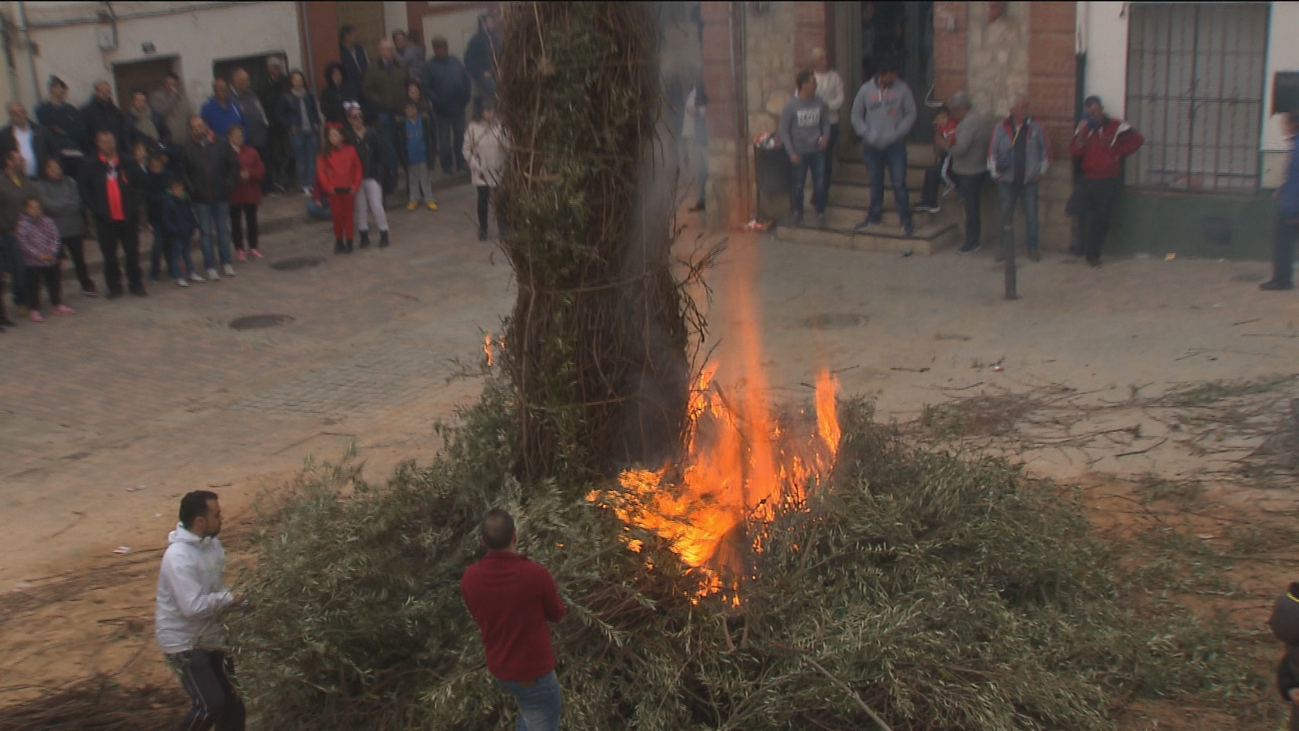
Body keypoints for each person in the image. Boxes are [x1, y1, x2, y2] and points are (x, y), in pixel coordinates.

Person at [460, 509, 565, 731]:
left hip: (500, 668)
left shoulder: (470, 578)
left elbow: (479, 614)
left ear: (482, 541)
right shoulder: (534, 574)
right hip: (532, 673)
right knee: (541, 716)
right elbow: (557, 614)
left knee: (531, 713)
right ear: (515, 536)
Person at [155, 490, 247, 731]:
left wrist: (244, 603)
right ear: (200, 521)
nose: (222, 518)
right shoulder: (178, 558)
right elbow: (192, 607)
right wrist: (229, 600)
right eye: (216, 514)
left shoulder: (213, 546)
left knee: (234, 702)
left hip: (211, 635)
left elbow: (217, 590)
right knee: (210, 703)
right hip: (184, 642)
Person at [1068, 95, 1143, 268]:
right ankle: (1079, 247)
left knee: (1100, 219)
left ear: (1101, 109)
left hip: (1107, 180)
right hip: (1087, 179)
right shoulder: (1083, 128)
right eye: (1089, 113)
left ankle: (1093, 255)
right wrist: (1080, 136)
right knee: (1078, 212)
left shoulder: (1116, 126)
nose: (1093, 116)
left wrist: (1117, 150)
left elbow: (1138, 139)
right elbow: (1075, 151)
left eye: (1095, 112)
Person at [850, 58, 917, 235]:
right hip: (872, 146)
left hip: (895, 145)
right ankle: (874, 216)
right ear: (881, 75)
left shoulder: (902, 89)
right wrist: (866, 133)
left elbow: (910, 113)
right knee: (875, 182)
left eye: (895, 75)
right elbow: (856, 115)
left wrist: (898, 132)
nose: (893, 79)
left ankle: (905, 219)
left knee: (899, 182)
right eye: (890, 75)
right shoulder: (865, 90)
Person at [81, 130, 147, 298]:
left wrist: (134, 205)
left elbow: (140, 185)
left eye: (110, 141)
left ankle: (136, 284)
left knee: (132, 253)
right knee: (109, 256)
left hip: (128, 217)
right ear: (98, 144)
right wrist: (96, 208)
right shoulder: (91, 164)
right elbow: (84, 189)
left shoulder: (128, 161)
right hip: (105, 219)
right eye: (104, 142)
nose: (108, 145)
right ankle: (114, 286)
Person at [989, 95, 1049, 263]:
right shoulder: (1001, 128)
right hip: (1007, 180)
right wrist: (995, 173)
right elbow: (992, 153)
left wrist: (1041, 171)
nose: (1024, 111)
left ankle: (1032, 248)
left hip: (1029, 180)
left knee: (1031, 215)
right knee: (1005, 215)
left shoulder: (1036, 127)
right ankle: (1003, 248)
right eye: (1021, 107)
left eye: (1026, 107)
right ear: (1012, 110)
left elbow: (1046, 152)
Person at [180, 115, 238, 281]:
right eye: (195, 127)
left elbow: (233, 165)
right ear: (191, 130)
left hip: (221, 195)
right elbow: (184, 172)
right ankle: (210, 265)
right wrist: (192, 189)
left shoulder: (221, 143)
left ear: (206, 126)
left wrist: (228, 184)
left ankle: (226, 262)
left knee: (223, 231)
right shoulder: (188, 148)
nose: (199, 129)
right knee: (205, 233)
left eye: (201, 126)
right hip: (200, 199)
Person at [35, 157, 96, 296]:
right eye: (52, 168)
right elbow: (48, 206)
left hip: (74, 228)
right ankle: (55, 293)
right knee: (55, 264)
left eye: (57, 167)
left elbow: (77, 203)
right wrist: (66, 203)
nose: (56, 171)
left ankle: (86, 284)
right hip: (54, 231)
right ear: (45, 170)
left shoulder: (70, 182)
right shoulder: (41, 186)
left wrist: (61, 205)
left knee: (79, 259)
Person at [937, 93, 989, 255]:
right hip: (970, 169)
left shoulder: (970, 123)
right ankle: (972, 239)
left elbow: (960, 149)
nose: (952, 114)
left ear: (962, 109)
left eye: (954, 110)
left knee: (970, 207)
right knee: (969, 206)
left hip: (970, 171)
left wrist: (945, 146)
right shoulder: (970, 121)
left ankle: (972, 241)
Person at [779, 70, 831, 229]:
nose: (815, 84)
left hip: (816, 150)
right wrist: (791, 152)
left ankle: (820, 212)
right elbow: (784, 130)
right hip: (799, 151)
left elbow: (826, 122)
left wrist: (826, 137)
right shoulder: (791, 105)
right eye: (812, 82)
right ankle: (797, 213)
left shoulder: (818, 102)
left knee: (820, 183)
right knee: (798, 184)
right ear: (803, 85)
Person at [15, 196, 71, 322]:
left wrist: (52, 251)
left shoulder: (47, 220)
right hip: (33, 261)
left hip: (50, 258)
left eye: (37, 208)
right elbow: (23, 243)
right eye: (32, 208)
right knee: (34, 285)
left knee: (54, 281)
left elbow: (55, 236)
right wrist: (38, 254)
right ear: (26, 209)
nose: (35, 210)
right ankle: (34, 309)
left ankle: (57, 304)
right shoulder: (22, 224)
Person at [422, 36, 472, 175]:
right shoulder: (429, 67)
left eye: (445, 47)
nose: (443, 50)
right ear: (434, 49)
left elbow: (465, 79)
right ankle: (447, 166)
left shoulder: (455, 61)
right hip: (442, 111)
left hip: (459, 108)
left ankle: (461, 163)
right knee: (444, 141)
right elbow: (426, 88)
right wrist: (438, 101)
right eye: (440, 47)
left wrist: (466, 97)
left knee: (460, 138)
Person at [344, 103, 390, 249]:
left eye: (360, 116)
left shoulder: (371, 133)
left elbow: (381, 154)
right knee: (360, 207)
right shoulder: (348, 137)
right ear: (349, 119)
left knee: (376, 204)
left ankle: (384, 232)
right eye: (354, 117)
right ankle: (363, 235)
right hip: (356, 178)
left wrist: (379, 173)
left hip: (372, 174)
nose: (358, 119)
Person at [1264, 110, 1299, 291]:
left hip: (1293, 206)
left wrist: (1292, 210)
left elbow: (1295, 179)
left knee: (1282, 242)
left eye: (1286, 123)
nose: (1284, 127)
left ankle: (1282, 279)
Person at [363, 39, 406, 181]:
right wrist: (379, 100)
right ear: (380, 51)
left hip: (401, 109)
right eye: (386, 49)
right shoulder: (373, 68)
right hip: (384, 111)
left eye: (392, 49)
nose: (390, 52)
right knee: (388, 142)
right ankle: (392, 170)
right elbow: (367, 89)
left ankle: (407, 168)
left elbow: (408, 83)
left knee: (403, 140)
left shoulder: (401, 65)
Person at [316, 122, 362, 254]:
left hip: (348, 189)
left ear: (342, 136)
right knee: (336, 217)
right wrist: (328, 187)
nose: (333, 138)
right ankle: (339, 240)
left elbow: (357, 168)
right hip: (334, 190)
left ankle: (349, 240)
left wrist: (355, 185)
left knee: (348, 216)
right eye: (330, 136)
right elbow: (321, 172)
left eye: (335, 135)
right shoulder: (325, 153)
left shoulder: (351, 150)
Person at [464, 99, 506, 240]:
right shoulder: (473, 128)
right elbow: (466, 150)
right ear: (481, 112)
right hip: (482, 172)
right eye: (487, 110)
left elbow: (510, 146)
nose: (490, 113)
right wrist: (477, 165)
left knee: (500, 200)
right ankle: (483, 228)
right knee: (483, 200)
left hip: (498, 169)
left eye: (492, 110)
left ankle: (503, 227)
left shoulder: (501, 126)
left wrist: (504, 144)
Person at [277, 70, 321, 196]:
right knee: (300, 159)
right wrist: (289, 124)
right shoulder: (286, 97)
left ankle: (312, 183)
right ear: (291, 82)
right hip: (297, 131)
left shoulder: (309, 95)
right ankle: (303, 184)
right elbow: (279, 114)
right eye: (295, 80)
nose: (298, 82)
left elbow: (314, 110)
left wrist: (317, 122)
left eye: (300, 79)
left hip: (311, 130)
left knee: (311, 158)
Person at [38, 77, 90, 182]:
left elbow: (80, 130)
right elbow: (49, 127)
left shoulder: (71, 110)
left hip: (75, 153)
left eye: (62, 88)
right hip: (57, 154)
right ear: (51, 89)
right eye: (57, 87)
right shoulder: (43, 110)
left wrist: (63, 130)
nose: (61, 90)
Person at [810, 47, 845, 198]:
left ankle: (823, 191)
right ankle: (816, 189)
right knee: (814, 158)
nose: (824, 62)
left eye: (825, 59)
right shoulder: (810, 77)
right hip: (812, 124)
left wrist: (829, 105)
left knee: (826, 158)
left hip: (830, 122)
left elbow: (840, 98)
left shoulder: (834, 77)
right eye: (821, 59)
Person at [0, 150, 32, 311]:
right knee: (17, 268)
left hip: (29, 230)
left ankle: (27, 298)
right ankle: (19, 300)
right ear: (9, 162)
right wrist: (7, 227)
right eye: (18, 159)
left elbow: (33, 200)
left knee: (27, 267)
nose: (22, 161)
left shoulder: (25, 180)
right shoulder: (2, 182)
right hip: (10, 232)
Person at [227, 126, 265, 261]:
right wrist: (237, 176)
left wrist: (250, 174)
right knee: (235, 222)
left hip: (250, 191)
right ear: (229, 137)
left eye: (240, 135)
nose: (238, 138)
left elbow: (260, 169)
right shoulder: (226, 152)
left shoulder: (251, 151)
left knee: (252, 220)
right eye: (235, 135)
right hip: (234, 193)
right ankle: (239, 248)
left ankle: (253, 246)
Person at [230, 69, 270, 192]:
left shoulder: (252, 94)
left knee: (262, 165)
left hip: (260, 137)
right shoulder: (230, 99)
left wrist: (265, 124)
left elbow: (260, 111)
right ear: (235, 82)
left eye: (247, 79)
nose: (247, 82)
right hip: (245, 140)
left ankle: (266, 189)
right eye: (243, 80)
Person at [0, 103, 57, 180]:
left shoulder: (41, 131)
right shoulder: (5, 135)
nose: (18, 115)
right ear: (10, 116)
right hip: (17, 181)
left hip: (42, 179)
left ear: (25, 113)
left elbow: (54, 151)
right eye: (14, 113)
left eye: (20, 111)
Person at [259, 57, 291, 192]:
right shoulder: (262, 84)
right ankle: (278, 182)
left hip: (286, 125)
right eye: (273, 67)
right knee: (275, 155)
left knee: (288, 154)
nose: (276, 70)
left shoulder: (286, 83)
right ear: (268, 69)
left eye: (278, 67)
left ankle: (287, 181)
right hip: (271, 126)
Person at [916, 105, 956, 213]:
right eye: (939, 118)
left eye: (944, 118)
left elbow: (946, 144)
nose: (941, 121)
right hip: (944, 156)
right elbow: (937, 148)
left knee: (940, 172)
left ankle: (954, 187)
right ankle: (927, 201)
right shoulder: (940, 129)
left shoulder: (952, 127)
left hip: (952, 157)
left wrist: (939, 137)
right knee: (930, 170)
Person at [400, 100, 437, 212]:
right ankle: (413, 199)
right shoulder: (403, 124)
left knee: (425, 179)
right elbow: (401, 141)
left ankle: (429, 199)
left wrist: (431, 154)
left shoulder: (423, 121)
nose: (410, 110)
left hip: (423, 155)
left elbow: (430, 137)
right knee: (412, 180)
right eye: (407, 108)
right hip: (410, 156)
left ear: (416, 109)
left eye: (412, 108)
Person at [142, 152, 172, 281]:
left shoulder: (168, 176)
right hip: (155, 217)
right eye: (153, 166)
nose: (156, 169)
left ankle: (172, 266)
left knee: (169, 244)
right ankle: (154, 270)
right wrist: (163, 197)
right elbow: (148, 197)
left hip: (169, 215)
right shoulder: (147, 178)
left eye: (158, 166)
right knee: (158, 244)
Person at [151, 73, 194, 153]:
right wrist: (173, 96)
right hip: (169, 143)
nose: (169, 86)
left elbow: (191, 114)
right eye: (167, 83)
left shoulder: (182, 96)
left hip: (186, 142)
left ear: (177, 84)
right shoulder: (157, 97)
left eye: (172, 84)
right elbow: (160, 113)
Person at [465, 11, 502, 103]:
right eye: (490, 22)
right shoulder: (475, 41)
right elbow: (469, 60)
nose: (493, 23)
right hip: (484, 74)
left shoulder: (496, 37)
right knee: (493, 89)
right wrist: (482, 72)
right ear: (483, 24)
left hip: (497, 71)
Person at [683, 78, 708, 213]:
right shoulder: (696, 87)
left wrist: (697, 111)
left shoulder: (703, 85)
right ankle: (702, 199)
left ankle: (704, 199)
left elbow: (706, 109)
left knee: (704, 169)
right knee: (699, 170)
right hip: (695, 135)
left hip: (703, 137)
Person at [82, 80, 126, 153]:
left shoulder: (116, 112)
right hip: (96, 153)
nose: (105, 93)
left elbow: (122, 131)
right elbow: (85, 134)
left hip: (116, 152)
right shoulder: (87, 112)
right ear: (96, 92)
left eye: (108, 91)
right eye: (102, 91)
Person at [124, 89, 169, 154]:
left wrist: (162, 146)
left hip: (158, 151)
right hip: (141, 153)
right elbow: (127, 139)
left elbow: (166, 133)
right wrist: (134, 153)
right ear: (133, 102)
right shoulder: (129, 119)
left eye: (142, 100)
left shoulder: (155, 115)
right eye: (137, 100)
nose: (140, 103)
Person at [338, 25, 369, 105]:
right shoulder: (340, 53)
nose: (356, 38)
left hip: (365, 89)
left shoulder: (360, 50)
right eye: (354, 35)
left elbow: (366, 66)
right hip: (350, 91)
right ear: (346, 37)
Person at [320, 62, 350, 126]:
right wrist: (339, 108)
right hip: (333, 122)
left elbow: (355, 103)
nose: (336, 76)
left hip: (349, 121)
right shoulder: (326, 92)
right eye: (334, 74)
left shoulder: (349, 88)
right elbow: (324, 109)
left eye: (338, 74)